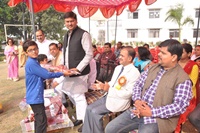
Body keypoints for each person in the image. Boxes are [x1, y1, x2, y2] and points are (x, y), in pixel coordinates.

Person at [105, 39, 192, 133]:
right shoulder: (153, 68)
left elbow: (179, 105)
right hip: (137, 110)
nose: (158, 54)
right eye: (159, 51)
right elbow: (138, 85)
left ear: (174, 57)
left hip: (158, 119)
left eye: (163, 53)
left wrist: (151, 112)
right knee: (110, 129)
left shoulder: (182, 78)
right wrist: (137, 100)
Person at [82, 46, 140, 133]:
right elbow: (112, 83)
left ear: (129, 58)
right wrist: (102, 86)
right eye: (119, 55)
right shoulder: (118, 68)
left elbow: (128, 94)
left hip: (119, 101)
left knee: (94, 112)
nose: (119, 57)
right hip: (109, 96)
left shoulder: (134, 73)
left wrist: (109, 89)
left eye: (122, 56)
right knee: (88, 108)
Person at [23, 40, 70, 133]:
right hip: (34, 96)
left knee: (40, 120)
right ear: (26, 53)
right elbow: (47, 75)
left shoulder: (34, 61)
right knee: (41, 121)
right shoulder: (31, 63)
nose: (34, 51)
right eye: (30, 50)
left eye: (35, 49)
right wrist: (62, 73)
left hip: (35, 95)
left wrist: (56, 70)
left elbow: (43, 71)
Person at [61, 11, 93, 127]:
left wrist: (78, 69)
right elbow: (65, 53)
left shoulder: (84, 34)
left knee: (79, 97)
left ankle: (86, 123)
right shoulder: (66, 35)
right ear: (65, 22)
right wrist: (62, 65)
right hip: (68, 72)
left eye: (71, 21)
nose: (69, 24)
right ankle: (81, 116)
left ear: (76, 21)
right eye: (67, 22)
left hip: (80, 72)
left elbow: (89, 54)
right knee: (70, 93)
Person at [175, 43, 199, 132]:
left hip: (188, 96)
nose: (180, 54)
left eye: (183, 52)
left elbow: (191, 83)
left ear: (189, 54)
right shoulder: (174, 63)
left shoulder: (194, 66)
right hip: (173, 93)